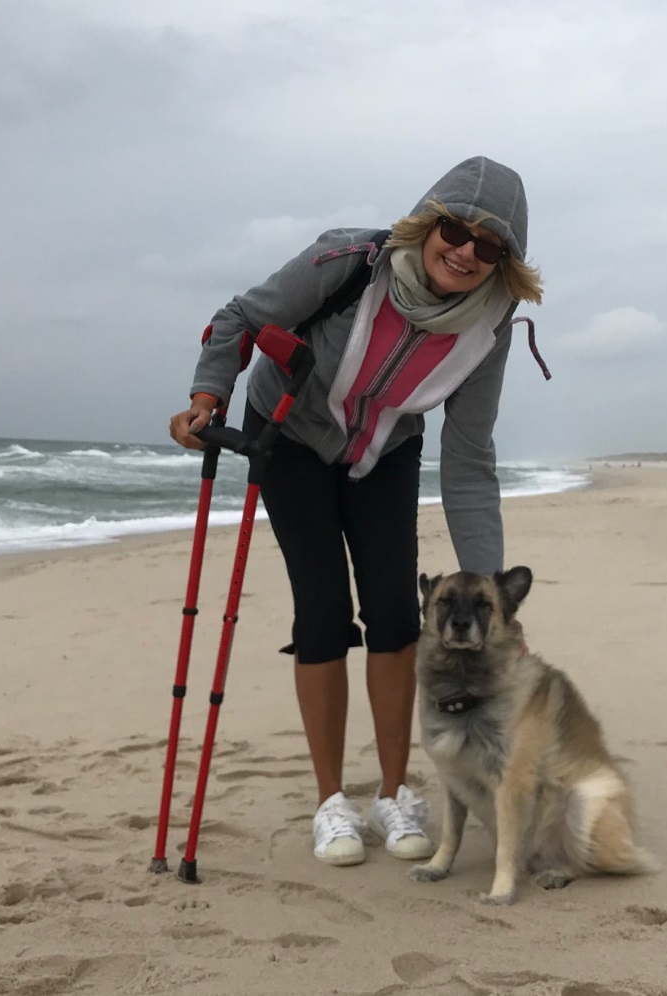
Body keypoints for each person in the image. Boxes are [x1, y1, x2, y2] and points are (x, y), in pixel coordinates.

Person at [168, 156, 544, 867]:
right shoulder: (346, 261)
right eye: (454, 229)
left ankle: (394, 794)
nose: (464, 251)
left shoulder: (491, 324)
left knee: (399, 617)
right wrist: (206, 397)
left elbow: (468, 462)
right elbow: (240, 319)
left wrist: (493, 596)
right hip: (290, 435)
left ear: (505, 261)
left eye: (488, 245)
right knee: (321, 614)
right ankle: (331, 803)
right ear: (428, 223)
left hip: (386, 449)